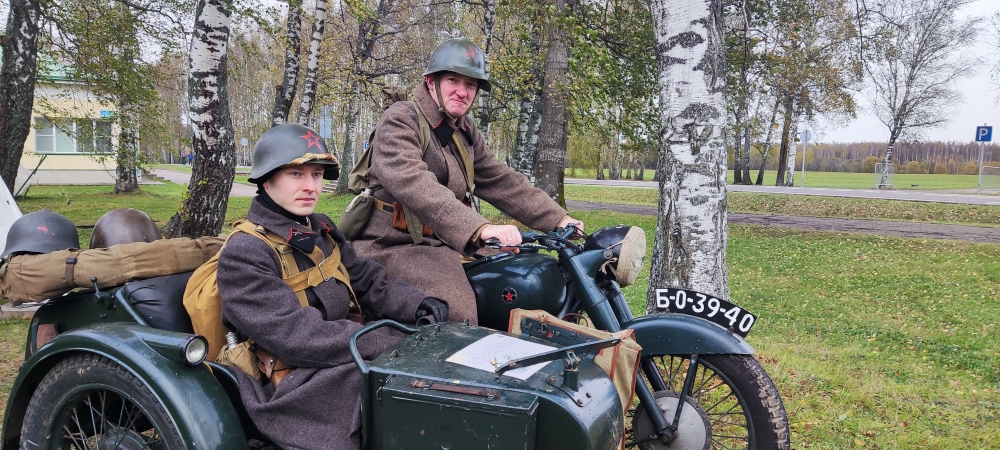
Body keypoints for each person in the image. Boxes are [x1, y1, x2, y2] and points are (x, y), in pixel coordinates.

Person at [216, 123, 448, 449]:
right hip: (294, 378)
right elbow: (296, 336)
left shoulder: (319, 228)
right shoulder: (245, 252)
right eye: (296, 174)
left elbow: (366, 280)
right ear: (266, 178)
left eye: (316, 174)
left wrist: (416, 305)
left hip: (341, 348)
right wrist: (386, 340)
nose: (311, 185)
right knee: (395, 393)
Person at [350, 37, 584, 325]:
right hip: (394, 245)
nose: (462, 92)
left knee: (527, 278)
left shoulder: (464, 130)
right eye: (453, 81)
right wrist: (480, 228)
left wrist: (558, 219)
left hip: (446, 242)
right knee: (455, 312)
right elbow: (413, 182)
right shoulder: (400, 119)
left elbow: (502, 180)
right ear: (431, 82)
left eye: (471, 85)